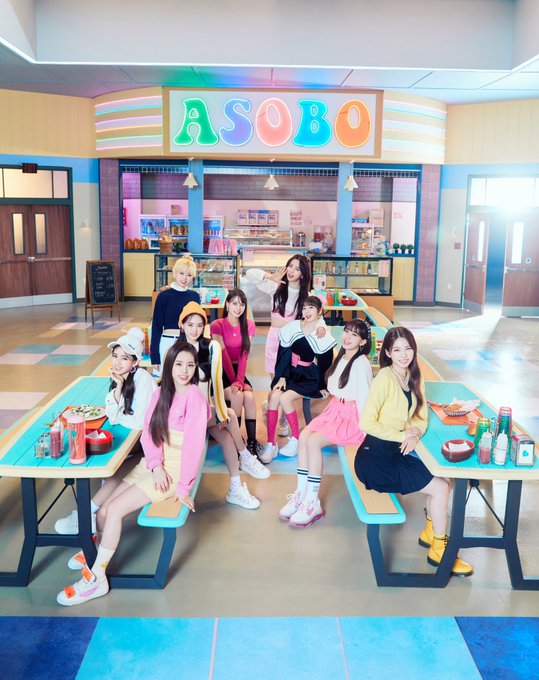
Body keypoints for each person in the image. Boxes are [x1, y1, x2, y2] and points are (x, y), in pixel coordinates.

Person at [57, 342, 210, 606]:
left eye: (190, 365)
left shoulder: (194, 397)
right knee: (103, 511)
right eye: (179, 364)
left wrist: (184, 487)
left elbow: (194, 447)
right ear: (169, 365)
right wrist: (155, 465)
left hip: (174, 472)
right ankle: (98, 556)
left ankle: (96, 579)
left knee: (114, 510)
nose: (184, 371)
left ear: (196, 367)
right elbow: (149, 433)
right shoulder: (162, 392)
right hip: (155, 465)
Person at [353, 326, 473, 577]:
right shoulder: (384, 378)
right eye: (397, 350)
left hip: (396, 450)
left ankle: (431, 532)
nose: (404, 354)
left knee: (445, 478)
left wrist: (415, 434)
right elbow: (366, 423)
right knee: (440, 488)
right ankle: (439, 549)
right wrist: (402, 436)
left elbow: (420, 416)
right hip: (375, 457)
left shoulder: (414, 376)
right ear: (387, 353)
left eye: (408, 348)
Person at [54, 327, 156, 538]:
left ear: (135, 362)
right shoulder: (119, 378)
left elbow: (138, 422)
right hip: (142, 442)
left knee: (117, 465)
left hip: (154, 443)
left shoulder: (143, 379)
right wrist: (118, 388)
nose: (117, 362)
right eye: (115, 356)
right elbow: (111, 414)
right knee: (115, 465)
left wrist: (119, 415)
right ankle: (88, 514)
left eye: (124, 358)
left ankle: (85, 515)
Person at [279, 319, 373, 527]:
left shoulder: (361, 364)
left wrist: (368, 433)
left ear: (363, 341)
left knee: (313, 441)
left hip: (351, 417)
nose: (347, 337)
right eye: (347, 331)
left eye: (354, 335)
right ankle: (301, 493)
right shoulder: (342, 356)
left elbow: (365, 400)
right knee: (304, 436)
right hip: (335, 409)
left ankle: (313, 501)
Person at [178, 301, 269, 508]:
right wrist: (220, 413)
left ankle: (235, 488)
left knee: (227, 438)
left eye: (199, 325)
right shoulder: (175, 352)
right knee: (230, 414)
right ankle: (245, 455)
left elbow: (217, 384)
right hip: (184, 416)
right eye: (190, 324)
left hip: (204, 413)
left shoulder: (210, 348)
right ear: (181, 325)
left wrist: (218, 412)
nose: (195, 330)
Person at [245, 254, 325, 437]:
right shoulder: (276, 287)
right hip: (274, 340)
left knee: (288, 383)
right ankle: (271, 406)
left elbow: (317, 316)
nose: (292, 271)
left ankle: (281, 419)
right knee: (275, 383)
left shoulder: (306, 296)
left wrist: (320, 327)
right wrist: (269, 276)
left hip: (293, 343)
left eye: (297, 268)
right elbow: (250, 274)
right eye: (290, 266)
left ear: (303, 274)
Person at [261, 296, 337, 463]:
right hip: (289, 373)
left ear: (319, 311)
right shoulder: (293, 327)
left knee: (285, 398)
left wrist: (323, 385)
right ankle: (271, 444)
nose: (307, 312)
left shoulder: (321, 332)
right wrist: (281, 377)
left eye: (311, 308)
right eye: (304, 308)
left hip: (308, 376)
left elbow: (325, 363)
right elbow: (283, 354)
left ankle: (296, 440)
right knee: (274, 396)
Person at [210, 288, 262, 459]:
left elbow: (244, 356)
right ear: (227, 304)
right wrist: (236, 382)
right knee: (238, 395)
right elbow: (223, 356)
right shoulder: (217, 325)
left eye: (242, 304)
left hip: (239, 371)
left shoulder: (249, 325)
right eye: (234, 303)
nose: (238, 308)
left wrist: (240, 380)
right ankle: (236, 440)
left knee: (250, 397)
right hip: (220, 371)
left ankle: (252, 442)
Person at [150, 253, 200, 374]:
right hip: (167, 342)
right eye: (181, 273)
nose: (185, 278)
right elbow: (156, 327)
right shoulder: (163, 296)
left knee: (186, 379)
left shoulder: (195, 296)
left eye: (189, 275)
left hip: (188, 343)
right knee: (165, 380)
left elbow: (198, 325)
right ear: (175, 273)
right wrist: (155, 356)